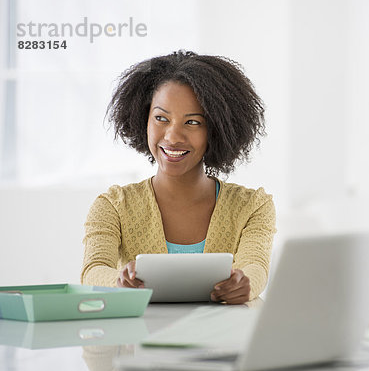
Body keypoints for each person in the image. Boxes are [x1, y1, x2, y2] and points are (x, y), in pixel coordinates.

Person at [81, 50, 276, 304]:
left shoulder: (252, 207)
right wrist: (118, 281)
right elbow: (93, 270)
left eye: (193, 122)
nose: (173, 136)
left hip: (224, 340)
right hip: (137, 339)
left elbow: (255, 266)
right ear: (144, 120)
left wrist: (244, 285)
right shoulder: (113, 206)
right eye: (161, 118)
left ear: (217, 129)